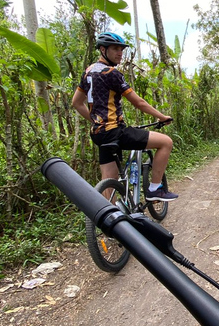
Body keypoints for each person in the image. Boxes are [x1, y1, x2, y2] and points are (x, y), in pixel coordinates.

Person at [72, 32, 178, 201]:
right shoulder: (111, 73)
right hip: (115, 131)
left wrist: (95, 121)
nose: (120, 53)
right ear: (102, 50)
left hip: (99, 134)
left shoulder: (88, 72)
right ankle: (154, 189)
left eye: (121, 49)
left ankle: (109, 218)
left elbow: (76, 103)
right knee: (166, 142)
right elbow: (139, 103)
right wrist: (161, 117)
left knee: (109, 179)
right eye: (115, 49)